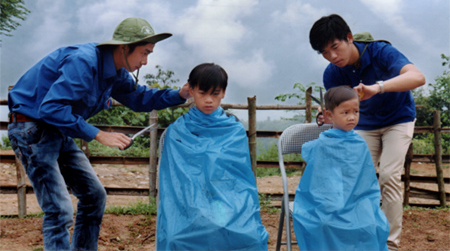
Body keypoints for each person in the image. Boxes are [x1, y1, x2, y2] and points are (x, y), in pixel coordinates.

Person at [7, 17, 191, 251]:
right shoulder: (83, 62)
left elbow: (140, 98)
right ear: (125, 47)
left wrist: (180, 94)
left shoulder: (116, 73)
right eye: (144, 53)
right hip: (31, 129)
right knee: (59, 209)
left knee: (94, 196)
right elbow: (51, 108)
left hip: (58, 129)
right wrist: (98, 134)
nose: (145, 61)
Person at [309, 14, 425, 250]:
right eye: (325, 53)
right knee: (356, 178)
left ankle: (389, 245)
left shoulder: (380, 51)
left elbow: (417, 77)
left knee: (389, 176)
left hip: (398, 119)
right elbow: (339, 108)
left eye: (335, 47)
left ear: (349, 38)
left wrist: (377, 88)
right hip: (364, 124)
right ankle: (361, 237)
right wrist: (328, 114)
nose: (332, 56)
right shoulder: (332, 73)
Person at [156, 63, 269, 250]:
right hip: (188, 205)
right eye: (202, 93)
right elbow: (174, 181)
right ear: (191, 91)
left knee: (251, 238)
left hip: (229, 200)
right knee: (175, 239)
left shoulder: (234, 130)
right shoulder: (178, 130)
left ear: (223, 93)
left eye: (215, 94)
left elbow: (240, 179)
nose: (209, 100)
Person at [293, 85, 390, 251]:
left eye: (356, 112)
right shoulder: (322, 143)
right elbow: (309, 155)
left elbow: (365, 182)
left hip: (357, 201)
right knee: (323, 224)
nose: (352, 117)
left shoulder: (360, 143)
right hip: (326, 201)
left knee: (373, 224)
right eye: (345, 113)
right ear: (330, 114)